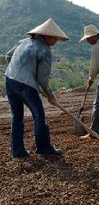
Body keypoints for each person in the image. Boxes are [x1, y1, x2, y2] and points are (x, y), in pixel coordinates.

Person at [5, 18, 69, 158]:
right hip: (25, 85)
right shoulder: (44, 50)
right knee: (39, 115)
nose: (55, 42)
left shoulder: (23, 42)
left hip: (9, 80)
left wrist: (19, 67)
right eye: (55, 39)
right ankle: (44, 148)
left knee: (17, 116)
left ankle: (17, 151)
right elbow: (42, 80)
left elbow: (8, 56)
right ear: (48, 36)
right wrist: (50, 96)